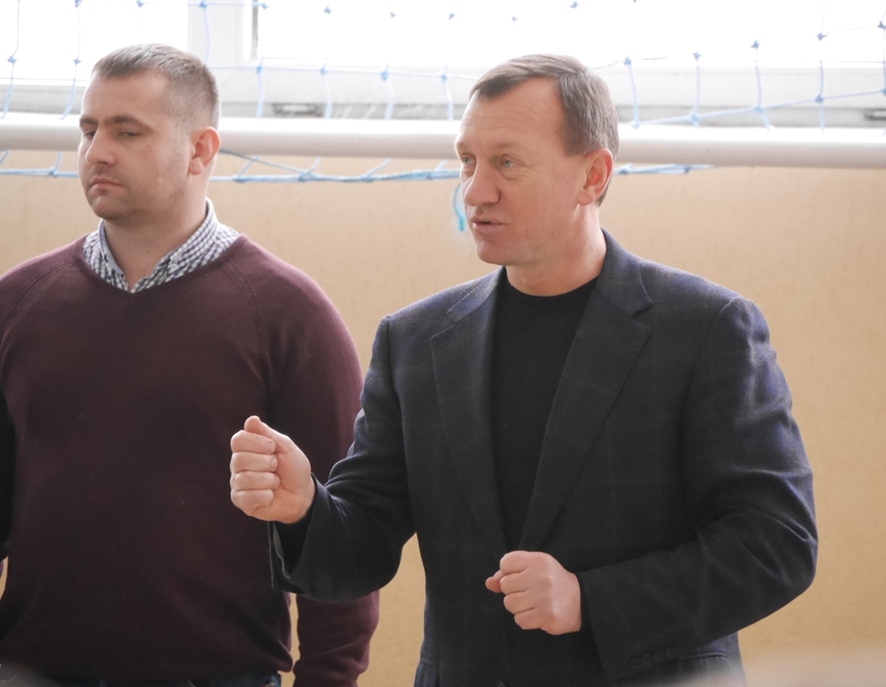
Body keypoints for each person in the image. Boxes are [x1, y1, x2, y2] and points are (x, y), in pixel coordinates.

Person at [229, 54, 817, 687]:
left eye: (507, 162)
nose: (475, 190)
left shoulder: (707, 328)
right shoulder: (415, 340)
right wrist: (305, 508)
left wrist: (590, 600)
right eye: (468, 161)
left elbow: (776, 543)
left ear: (593, 175)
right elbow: (362, 546)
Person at [0, 43, 378, 686]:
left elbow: (339, 533)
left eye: (128, 132)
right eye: (89, 130)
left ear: (201, 150)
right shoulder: (17, 303)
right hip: (30, 672)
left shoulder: (289, 315)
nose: (97, 152)